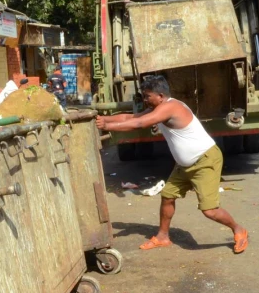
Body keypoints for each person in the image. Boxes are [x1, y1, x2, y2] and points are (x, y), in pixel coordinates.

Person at [95, 75, 248, 253]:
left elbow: (139, 123)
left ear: (160, 96)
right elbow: (132, 116)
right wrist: (104, 120)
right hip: (184, 165)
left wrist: (108, 127)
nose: (144, 100)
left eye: (147, 96)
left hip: (205, 161)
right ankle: (162, 236)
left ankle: (239, 229)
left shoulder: (171, 107)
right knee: (168, 196)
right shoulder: (159, 106)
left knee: (210, 210)